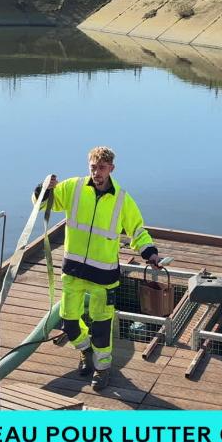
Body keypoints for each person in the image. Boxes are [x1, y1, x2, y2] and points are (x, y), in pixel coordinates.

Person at [33, 146, 163, 391]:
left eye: (102, 168)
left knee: (102, 328)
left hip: (104, 276)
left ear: (111, 169)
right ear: (88, 165)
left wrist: (149, 252)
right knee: (69, 322)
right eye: (93, 167)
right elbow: (42, 204)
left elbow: (137, 230)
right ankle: (85, 351)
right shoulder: (73, 188)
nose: (97, 173)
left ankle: (102, 370)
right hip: (73, 271)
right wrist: (43, 188)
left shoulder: (122, 199)